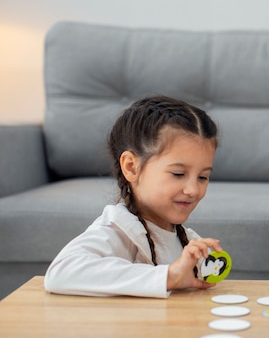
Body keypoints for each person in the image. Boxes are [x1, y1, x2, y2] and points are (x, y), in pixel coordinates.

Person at [44, 95, 224, 297]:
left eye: (203, 177)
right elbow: (60, 273)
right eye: (178, 174)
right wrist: (168, 277)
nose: (193, 190)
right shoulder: (119, 230)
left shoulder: (187, 240)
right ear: (131, 167)